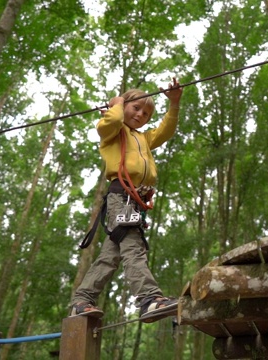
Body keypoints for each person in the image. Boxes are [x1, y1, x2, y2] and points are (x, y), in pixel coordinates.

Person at [70, 78, 183, 323]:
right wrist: (117, 103)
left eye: (147, 112)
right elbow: (108, 123)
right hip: (120, 195)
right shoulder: (113, 131)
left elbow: (166, 130)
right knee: (132, 245)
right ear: (124, 107)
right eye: (136, 108)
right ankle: (148, 298)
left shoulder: (144, 139)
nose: (141, 114)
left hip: (135, 201)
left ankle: (81, 301)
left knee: (110, 255)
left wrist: (174, 104)